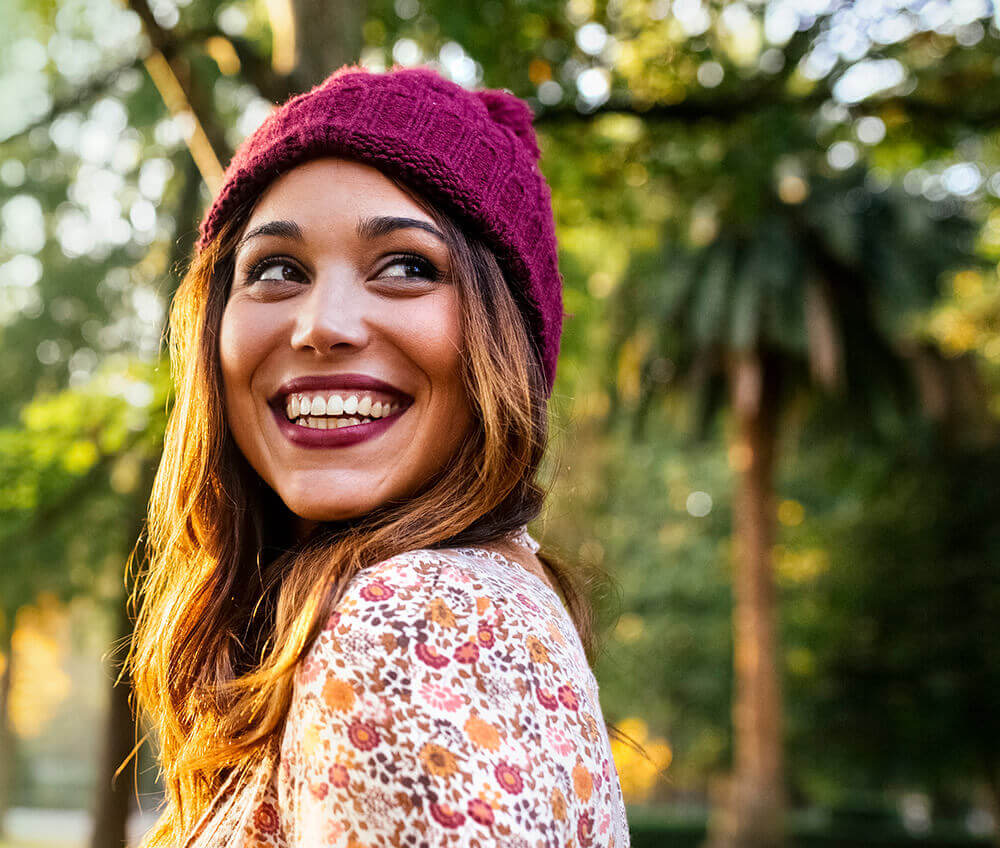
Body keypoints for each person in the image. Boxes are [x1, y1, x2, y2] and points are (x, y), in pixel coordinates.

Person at [127, 64, 632, 847]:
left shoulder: (413, 629)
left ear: (505, 341)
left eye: (406, 266)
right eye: (276, 270)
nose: (321, 325)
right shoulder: (482, 604)